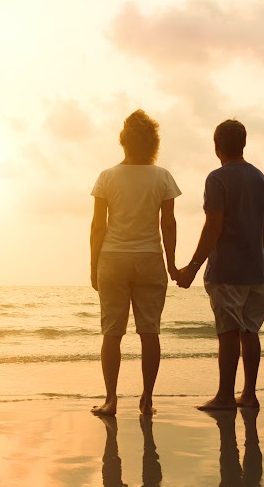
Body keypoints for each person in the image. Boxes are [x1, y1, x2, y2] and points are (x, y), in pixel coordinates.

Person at [90, 110, 181, 416]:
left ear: (123, 141)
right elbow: (168, 224)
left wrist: (93, 266)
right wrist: (172, 264)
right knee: (150, 332)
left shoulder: (107, 177)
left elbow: (97, 227)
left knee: (112, 333)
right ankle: (147, 400)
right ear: (153, 142)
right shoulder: (162, 177)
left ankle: (111, 399)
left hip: (113, 259)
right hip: (149, 259)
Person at [178, 119, 264, 410]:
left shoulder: (217, 178)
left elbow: (213, 227)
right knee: (250, 330)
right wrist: (257, 253)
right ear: (243, 144)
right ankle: (250, 394)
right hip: (256, 269)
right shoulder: (262, 179)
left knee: (229, 331)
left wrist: (192, 266)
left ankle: (224, 396)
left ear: (217, 146)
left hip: (227, 269)